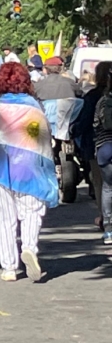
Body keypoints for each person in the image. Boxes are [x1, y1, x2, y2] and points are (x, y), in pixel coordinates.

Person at [0, 63, 55, 282]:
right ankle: (29, 248)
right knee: (32, 211)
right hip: (29, 166)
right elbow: (40, 137)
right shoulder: (34, 106)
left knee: (3, 218)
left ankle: (8, 267)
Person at [75, 61, 112, 229]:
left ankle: (105, 218)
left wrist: (73, 130)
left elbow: (85, 120)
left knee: (102, 184)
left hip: (98, 144)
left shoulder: (93, 96)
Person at [93, 76, 112, 244]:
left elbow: (95, 125)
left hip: (105, 147)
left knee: (108, 188)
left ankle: (108, 230)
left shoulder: (102, 101)